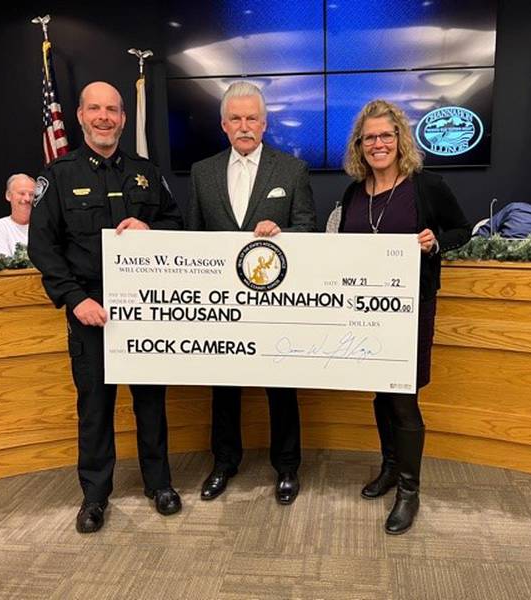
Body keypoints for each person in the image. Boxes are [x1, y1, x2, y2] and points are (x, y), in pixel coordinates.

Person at [28, 81, 184, 534]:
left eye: (112, 110)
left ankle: (160, 484)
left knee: (151, 402)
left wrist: (151, 230)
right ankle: (95, 497)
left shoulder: (146, 172)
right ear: (78, 115)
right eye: (95, 109)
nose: (104, 117)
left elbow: (177, 222)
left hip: (146, 311)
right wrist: (75, 300)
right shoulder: (57, 176)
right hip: (90, 312)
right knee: (95, 407)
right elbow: (44, 247)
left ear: (122, 117)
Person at [331, 99, 470, 534]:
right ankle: (390, 468)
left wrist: (435, 240)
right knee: (379, 395)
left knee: (404, 399)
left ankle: (410, 491)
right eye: (369, 137)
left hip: (411, 309)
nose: (378, 144)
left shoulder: (426, 186)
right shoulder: (353, 192)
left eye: (385, 136)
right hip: (365, 312)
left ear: (400, 139)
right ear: (360, 144)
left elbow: (463, 231)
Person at [187, 81, 316, 505]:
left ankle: (287, 467)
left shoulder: (291, 170)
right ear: (224, 125)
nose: (245, 126)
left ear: (265, 123)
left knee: (282, 389)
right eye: (236, 119)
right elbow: (192, 238)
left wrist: (283, 234)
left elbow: (309, 231)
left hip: (276, 304)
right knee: (223, 389)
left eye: (252, 118)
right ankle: (223, 463)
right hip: (223, 307)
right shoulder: (202, 172)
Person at [0, 173, 35, 256]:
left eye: (31, 194)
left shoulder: (45, 226)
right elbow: (4, 262)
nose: (27, 199)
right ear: (8, 195)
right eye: (22, 193)